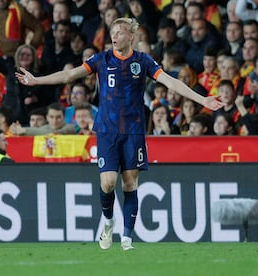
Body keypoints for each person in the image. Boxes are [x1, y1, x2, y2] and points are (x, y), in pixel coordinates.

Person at [15, 17, 225, 251]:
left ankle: (126, 237)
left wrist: (202, 98)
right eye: (113, 32)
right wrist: (36, 81)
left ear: (131, 37)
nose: (114, 36)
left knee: (129, 182)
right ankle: (108, 221)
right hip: (106, 129)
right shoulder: (101, 59)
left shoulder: (143, 61)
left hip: (134, 130)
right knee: (108, 182)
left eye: (120, 32)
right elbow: (68, 76)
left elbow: (171, 83)